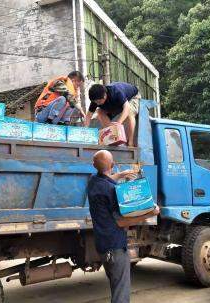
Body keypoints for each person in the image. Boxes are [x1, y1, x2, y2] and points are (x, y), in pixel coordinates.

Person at [87, 150, 159, 303]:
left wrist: (120, 175)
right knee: (121, 292)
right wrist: (150, 213)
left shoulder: (93, 182)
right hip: (115, 247)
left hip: (102, 246)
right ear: (112, 165)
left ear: (94, 165)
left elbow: (106, 180)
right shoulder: (112, 191)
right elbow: (121, 222)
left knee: (116, 285)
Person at [84, 82, 141, 147]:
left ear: (105, 95)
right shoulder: (96, 100)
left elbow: (127, 108)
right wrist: (85, 129)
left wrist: (119, 122)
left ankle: (130, 142)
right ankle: (111, 135)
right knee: (99, 112)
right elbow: (88, 115)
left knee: (130, 113)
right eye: (95, 102)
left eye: (99, 102)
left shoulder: (116, 92)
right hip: (116, 104)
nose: (97, 104)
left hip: (132, 98)